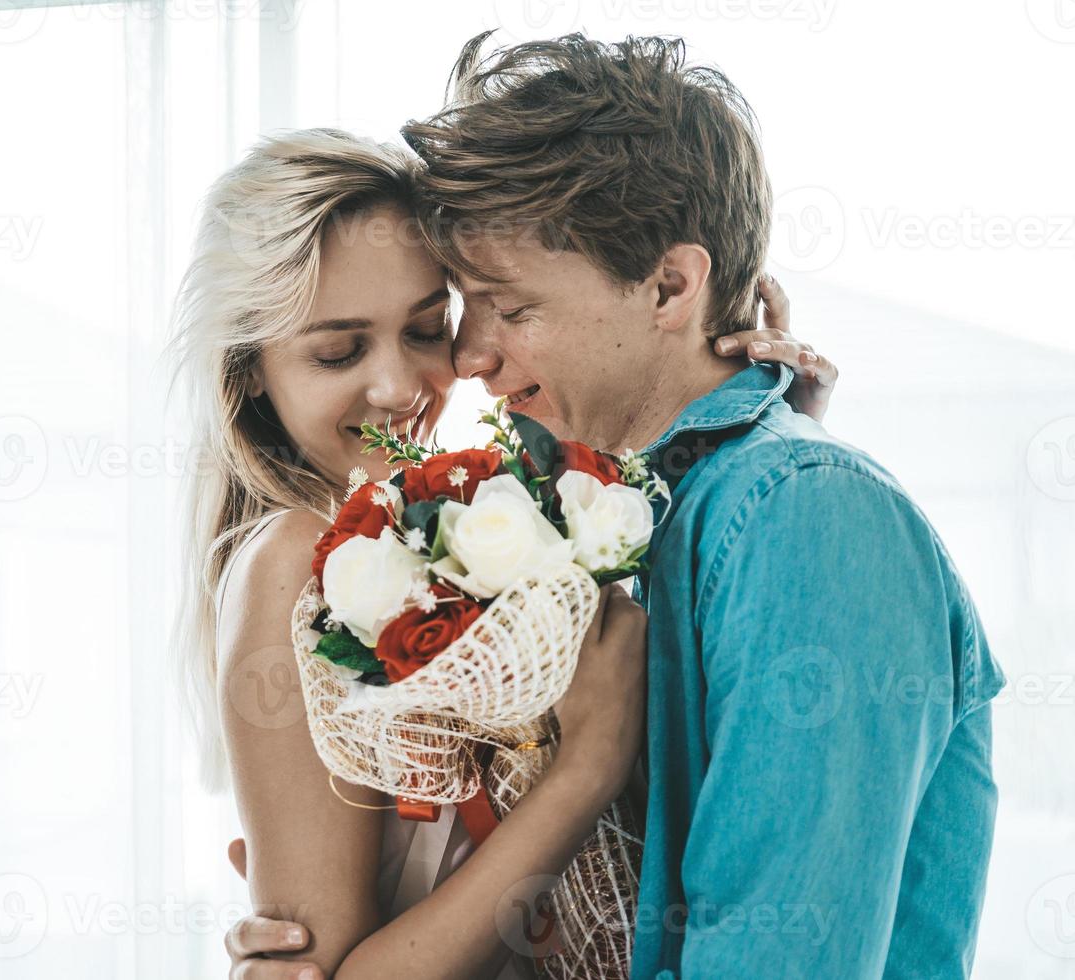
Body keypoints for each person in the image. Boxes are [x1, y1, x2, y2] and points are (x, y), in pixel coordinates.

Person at [226, 33, 1004, 979]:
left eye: (509, 309)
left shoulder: (806, 516)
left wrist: (789, 481)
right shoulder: (627, 513)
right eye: (462, 314)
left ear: (672, 286)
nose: (466, 362)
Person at [168, 122, 838, 979]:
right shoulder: (290, 561)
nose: (401, 387)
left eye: (422, 330)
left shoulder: (457, 509)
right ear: (250, 367)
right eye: (338, 351)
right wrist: (583, 769)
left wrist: (753, 428)